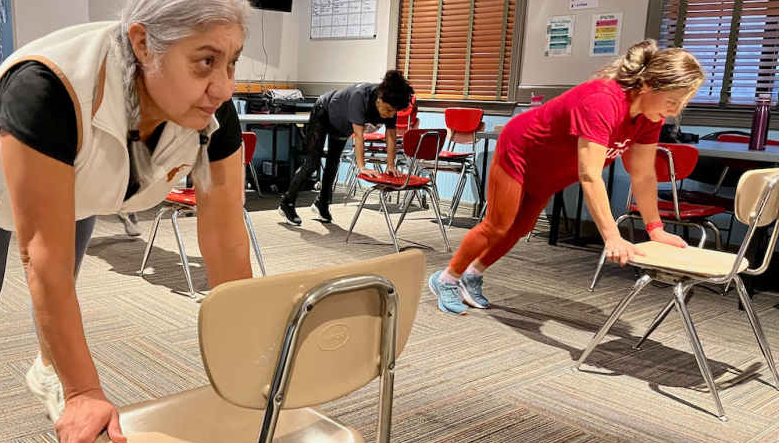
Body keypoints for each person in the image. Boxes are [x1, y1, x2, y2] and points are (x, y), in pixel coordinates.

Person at [0, 0, 254, 443]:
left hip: (82, 177)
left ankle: (47, 366)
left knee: (63, 288)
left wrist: (247, 354)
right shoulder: (47, 89)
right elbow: (38, 256)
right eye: (205, 62)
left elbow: (224, 236)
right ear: (142, 43)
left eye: (233, 62)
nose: (224, 86)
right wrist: (84, 392)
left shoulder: (210, 110)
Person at [429, 39, 705, 314]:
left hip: (552, 170)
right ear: (647, 85)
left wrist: (655, 229)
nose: (674, 111)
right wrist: (612, 236)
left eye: (683, 104)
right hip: (521, 152)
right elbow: (590, 174)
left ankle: (472, 275)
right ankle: (446, 279)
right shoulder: (603, 100)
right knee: (498, 226)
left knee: (521, 227)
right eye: (672, 101)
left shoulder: (649, 117)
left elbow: (643, 175)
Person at [278, 70, 414, 225]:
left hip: (341, 126)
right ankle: (287, 203)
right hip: (323, 112)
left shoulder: (390, 103)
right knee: (312, 164)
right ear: (379, 98)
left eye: (394, 112)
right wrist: (362, 167)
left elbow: (391, 136)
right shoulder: (360, 96)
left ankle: (322, 203)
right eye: (389, 110)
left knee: (333, 163)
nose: (390, 115)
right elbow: (359, 136)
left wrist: (390, 165)